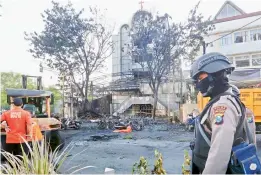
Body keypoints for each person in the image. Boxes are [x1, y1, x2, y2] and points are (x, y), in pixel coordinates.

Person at [190, 52, 260, 174]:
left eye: (200, 78)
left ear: (214, 76)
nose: (197, 84)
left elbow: (219, 155)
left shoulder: (223, 106)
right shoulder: (225, 102)